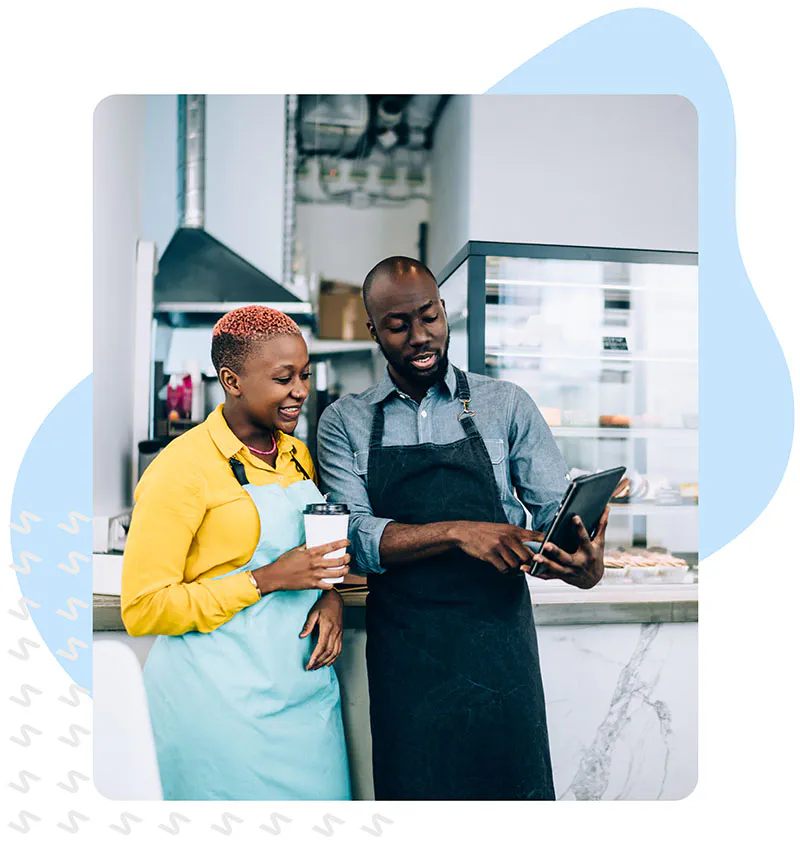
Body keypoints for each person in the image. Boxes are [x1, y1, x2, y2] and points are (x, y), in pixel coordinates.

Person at [317, 256, 610, 801]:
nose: (419, 335)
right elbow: (352, 537)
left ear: (445, 311)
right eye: (398, 325)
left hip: (499, 649)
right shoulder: (344, 421)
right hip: (408, 654)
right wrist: (459, 531)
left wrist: (583, 561)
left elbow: (553, 516)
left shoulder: (507, 405)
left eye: (428, 316)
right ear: (373, 330)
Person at [122, 305, 352, 801]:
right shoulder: (180, 469)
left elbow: (313, 558)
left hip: (304, 700)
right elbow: (144, 609)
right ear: (232, 380)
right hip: (218, 707)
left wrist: (330, 596)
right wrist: (265, 578)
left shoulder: (295, 454)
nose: (300, 390)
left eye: (305, 375)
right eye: (283, 377)